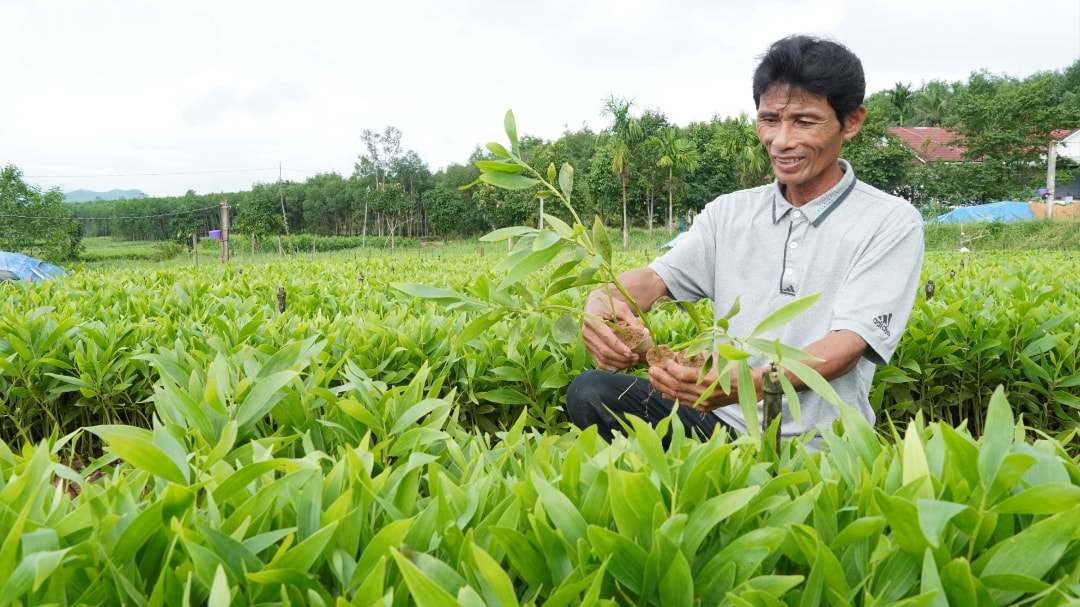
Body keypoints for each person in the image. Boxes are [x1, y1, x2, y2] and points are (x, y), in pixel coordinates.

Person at [565, 34, 925, 447]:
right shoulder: (729, 213)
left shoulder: (890, 221)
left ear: (852, 121)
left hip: (820, 442)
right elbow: (652, 280)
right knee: (590, 392)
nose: (782, 140)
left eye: (804, 121)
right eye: (770, 119)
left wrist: (753, 383)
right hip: (721, 423)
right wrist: (601, 303)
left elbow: (846, 347)